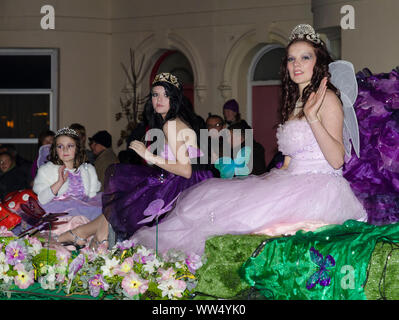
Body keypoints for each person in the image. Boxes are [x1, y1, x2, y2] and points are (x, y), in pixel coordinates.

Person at [131, 24, 367, 256]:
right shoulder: (295, 101)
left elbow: (337, 160)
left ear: (318, 62)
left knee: (245, 221)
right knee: (215, 204)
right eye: (291, 59)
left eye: (305, 57)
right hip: (290, 180)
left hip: (320, 188)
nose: (297, 65)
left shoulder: (328, 100)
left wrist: (313, 118)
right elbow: (288, 160)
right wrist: (263, 181)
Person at [51, 73, 214, 249]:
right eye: (155, 94)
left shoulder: (171, 125)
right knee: (126, 199)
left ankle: (84, 234)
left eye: (166, 95)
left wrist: (149, 155)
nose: (159, 100)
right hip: (188, 183)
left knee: (127, 193)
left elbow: (185, 169)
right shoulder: (179, 121)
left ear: (174, 99)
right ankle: (89, 233)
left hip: (180, 184)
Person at [33, 127, 103, 248]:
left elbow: (92, 197)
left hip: (85, 212)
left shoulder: (87, 170)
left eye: (70, 146)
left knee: (106, 215)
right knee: (76, 223)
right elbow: (42, 199)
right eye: (60, 146)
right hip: (58, 214)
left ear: (77, 148)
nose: (65, 150)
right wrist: (59, 183)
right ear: (55, 149)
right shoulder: (47, 170)